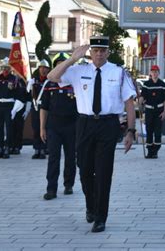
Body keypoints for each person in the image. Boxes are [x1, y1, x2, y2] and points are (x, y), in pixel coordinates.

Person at [47, 35, 136, 233]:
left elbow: (129, 103)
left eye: (102, 51)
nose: (99, 54)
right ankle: (90, 205)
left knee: (104, 172)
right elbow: (51, 77)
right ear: (90, 52)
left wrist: (131, 131)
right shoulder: (79, 70)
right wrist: (72, 58)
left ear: (108, 52)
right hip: (85, 124)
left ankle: (100, 217)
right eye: (95, 50)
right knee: (85, 169)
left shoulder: (118, 72)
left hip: (108, 125)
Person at [40, 52, 77, 200]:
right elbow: (44, 107)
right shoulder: (49, 84)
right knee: (53, 157)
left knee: (70, 157)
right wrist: (42, 127)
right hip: (54, 126)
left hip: (72, 125)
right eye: (59, 64)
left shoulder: (75, 83)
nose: (62, 67)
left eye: (65, 64)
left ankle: (68, 184)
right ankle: (51, 189)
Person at [0, 58, 17, 159]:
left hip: (9, 105)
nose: (5, 70)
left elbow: (14, 91)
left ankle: (7, 147)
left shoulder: (14, 78)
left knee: (9, 128)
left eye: (7, 68)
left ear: (10, 69)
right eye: (3, 68)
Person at [139, 65, 165, 159]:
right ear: (150, 73)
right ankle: (150, 151)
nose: (154, 73)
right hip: (149, 110)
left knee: (158, 131)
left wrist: (164, 112)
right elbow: (143, 96)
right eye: (153, 72)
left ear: (158, 73)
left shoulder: (162, 84)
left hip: (159, 110)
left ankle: (155, 150)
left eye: (156, 72)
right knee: (149, 130)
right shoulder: (146, 84)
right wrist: (140, 100)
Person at [28, 59, 51, 159]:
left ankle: (43, 149)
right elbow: (28, 93)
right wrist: (29, 85)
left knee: (45, 128)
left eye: (45, 68)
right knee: (36, 127)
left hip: (46, 108)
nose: (43, 70)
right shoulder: (34, 80)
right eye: (41, 68)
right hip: (36, 107)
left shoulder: (50, 80)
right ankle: (36, 149)